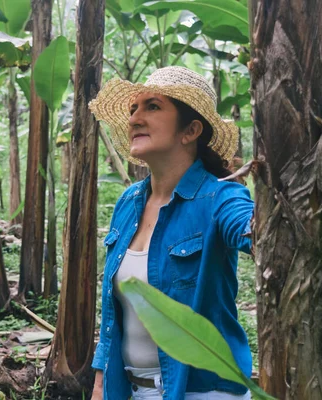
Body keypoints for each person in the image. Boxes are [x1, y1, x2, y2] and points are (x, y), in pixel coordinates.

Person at [88, 66, 254, 400]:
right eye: (134, 108)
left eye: (152, 106)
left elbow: (254, 232)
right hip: (130, 389)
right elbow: (113, 315)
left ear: (190, 130)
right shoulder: (129, 201)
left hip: (203, 391)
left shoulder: (221, 198)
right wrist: (99, 385)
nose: (134, 118)